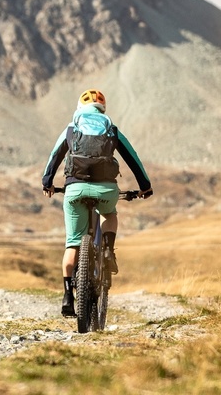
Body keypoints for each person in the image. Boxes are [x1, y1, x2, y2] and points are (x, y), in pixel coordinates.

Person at [41, 88, 153, 317]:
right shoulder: (111, 130)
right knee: (109, 214)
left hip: (75, 189)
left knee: (72, 243)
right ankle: (109, 251)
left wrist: (47, 183)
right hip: (106, 189)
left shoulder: (72, 129)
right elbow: (133, 158)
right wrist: (145, 186)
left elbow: (54, 157)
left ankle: (66, 296)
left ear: (79, 108)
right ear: (103, 109)